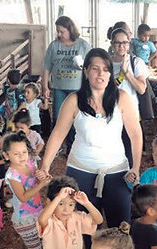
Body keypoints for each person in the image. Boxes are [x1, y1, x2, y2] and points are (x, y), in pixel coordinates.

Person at [39, 48, 143, 229]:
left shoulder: (122, 98)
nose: (100, 73)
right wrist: (45, 165)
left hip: (117, 171)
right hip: (81, 171)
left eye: (105, 69)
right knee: (83, 227)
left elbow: (135, 133)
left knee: (121, 227)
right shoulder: (74, 100)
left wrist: (135, 167)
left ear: (110, 74)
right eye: (95, 68)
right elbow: (58, 134)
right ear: (86, 71)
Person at [4, 132, 50, 249]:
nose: (22, 156)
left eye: (24, 152)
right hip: (24, 219)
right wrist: (41, 184)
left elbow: (37, 178)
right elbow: (23, 197)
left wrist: (41, 176)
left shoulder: (30, 163)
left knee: (38, 247)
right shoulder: (12, 175)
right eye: (16, 154)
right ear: (6, 155)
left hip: (38, 213)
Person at [42, 16, 91, 152]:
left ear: (70, 30)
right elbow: (47, 67)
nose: (59, 34)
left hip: (77, 88)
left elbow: (91, 65)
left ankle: (72, 146)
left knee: (77, 118)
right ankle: (56, 146)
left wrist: (83, 68)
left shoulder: (83, 45)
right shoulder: (53, 46)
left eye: (62, 31)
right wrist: (45, 86)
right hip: (59, 88)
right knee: (58, 117)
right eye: (57, 31)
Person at [109, 26, 148, 167]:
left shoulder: (136, 62)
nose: (121, 46)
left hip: (130, 115)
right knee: (111, 153)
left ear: (129, 43)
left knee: (129, 154)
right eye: (117, 43)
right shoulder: (106, 63)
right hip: (110, 113)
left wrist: (126, 72)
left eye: (124, 42)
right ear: (112, 44)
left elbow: (141, 88)